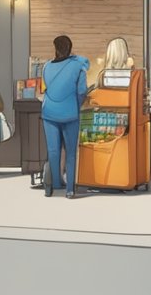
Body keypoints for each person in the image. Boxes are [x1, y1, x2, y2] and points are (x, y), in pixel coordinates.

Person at [40, 35, 89, 198]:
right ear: (70, 48)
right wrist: (76, 104)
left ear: (55, 48)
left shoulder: (46, 66)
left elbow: (44, 88)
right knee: (70, 151)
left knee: (53, 150)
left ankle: (54, 185)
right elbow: (82, 91)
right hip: (70, 113)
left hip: (49, 113)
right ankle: (69, 189)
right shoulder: (78, 65)